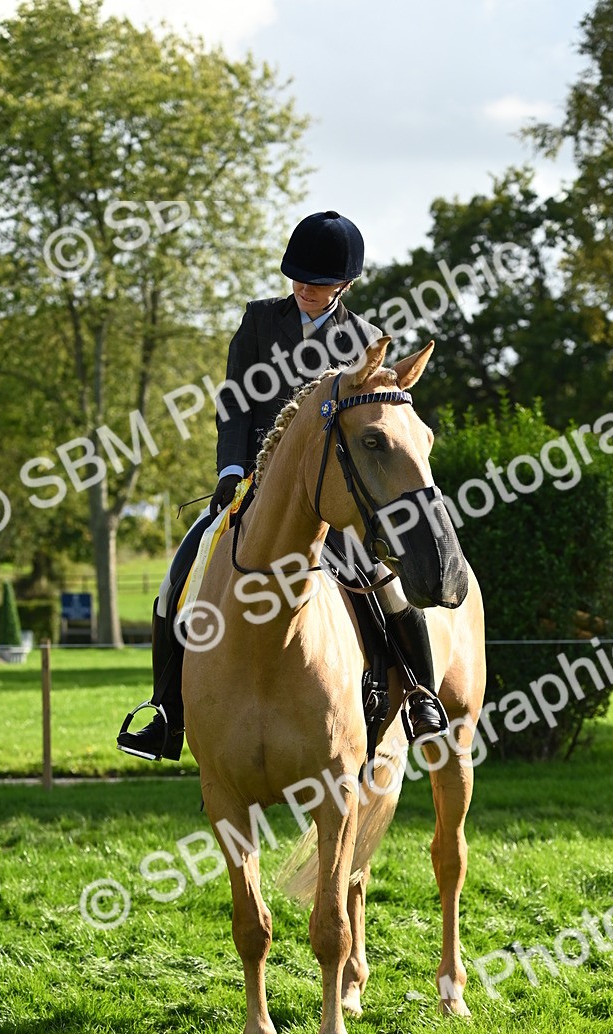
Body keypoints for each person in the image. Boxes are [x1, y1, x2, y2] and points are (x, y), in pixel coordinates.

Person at [117, 211, 446, 762]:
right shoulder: (259, 321)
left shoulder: (365, 342)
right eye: (297, 277)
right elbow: (235, 405)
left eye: (317, 282)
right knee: (179, 575)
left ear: (344, 285)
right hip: (253, 488)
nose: (304, 289)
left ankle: (420, 694)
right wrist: (230, 471)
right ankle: (166, 711)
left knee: (385, 583)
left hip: (333, 499)